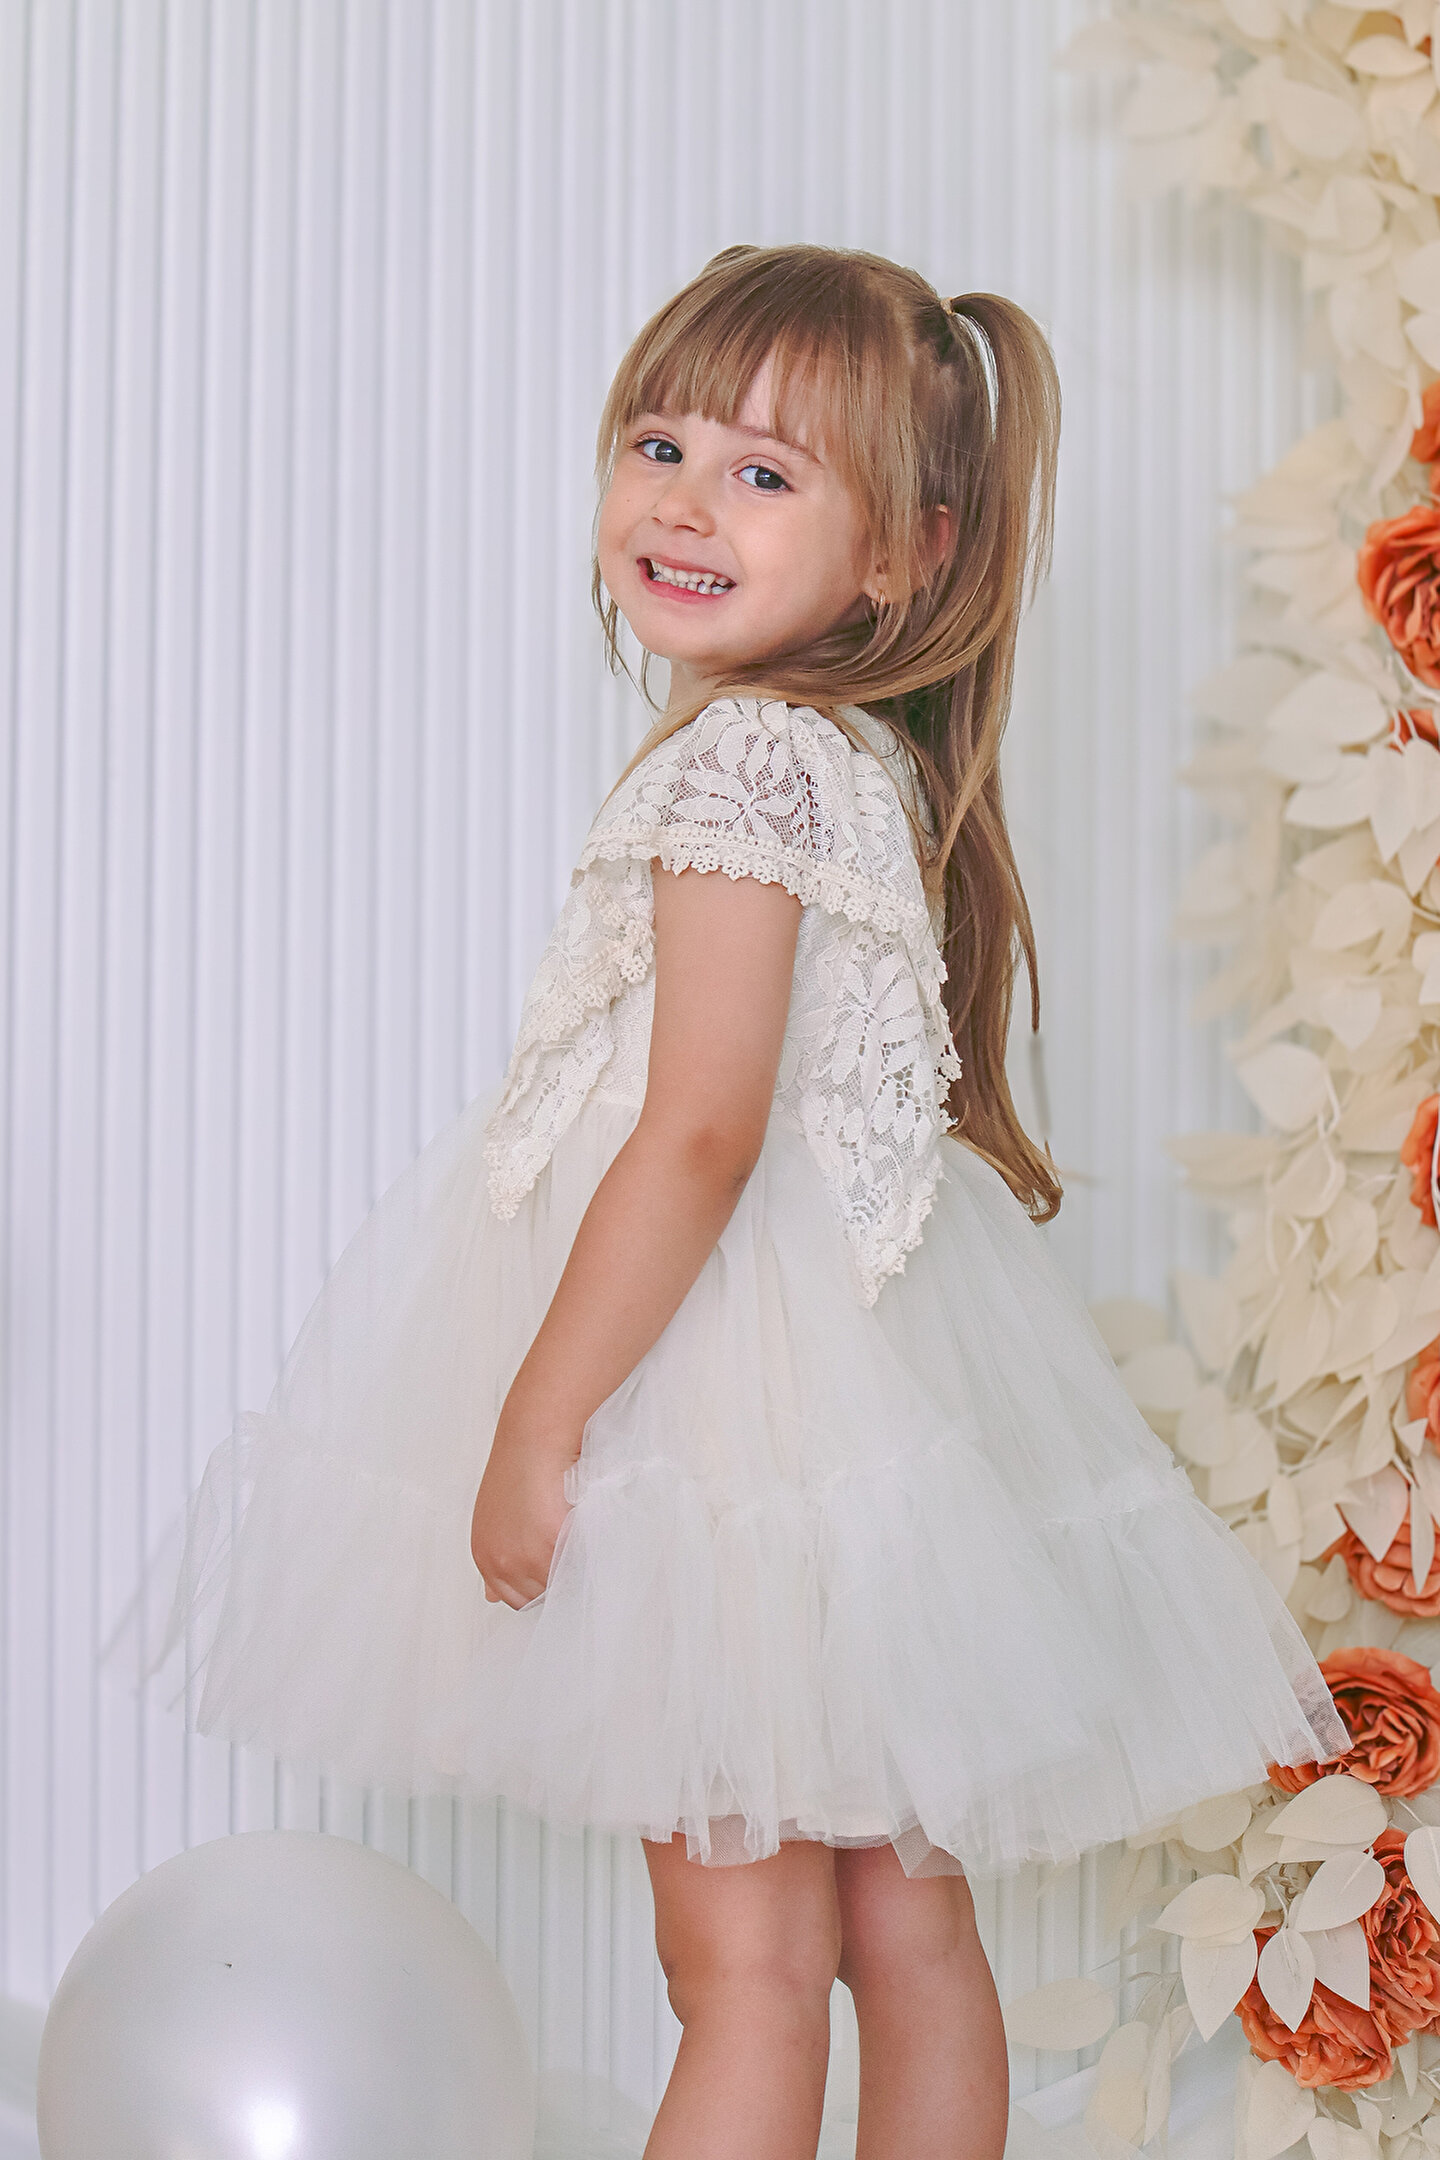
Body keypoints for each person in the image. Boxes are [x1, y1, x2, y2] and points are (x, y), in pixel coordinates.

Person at [149, 244, 1349, 2160]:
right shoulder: (847, 758)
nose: (688, 501)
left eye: (767, 473)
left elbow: (700, 1134)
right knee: (906, 1932)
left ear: (905, 559)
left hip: (722, 1410)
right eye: (662, 443)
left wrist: (539, 1419)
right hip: (863, 1413)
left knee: (746, 1968)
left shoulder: (738, 770)